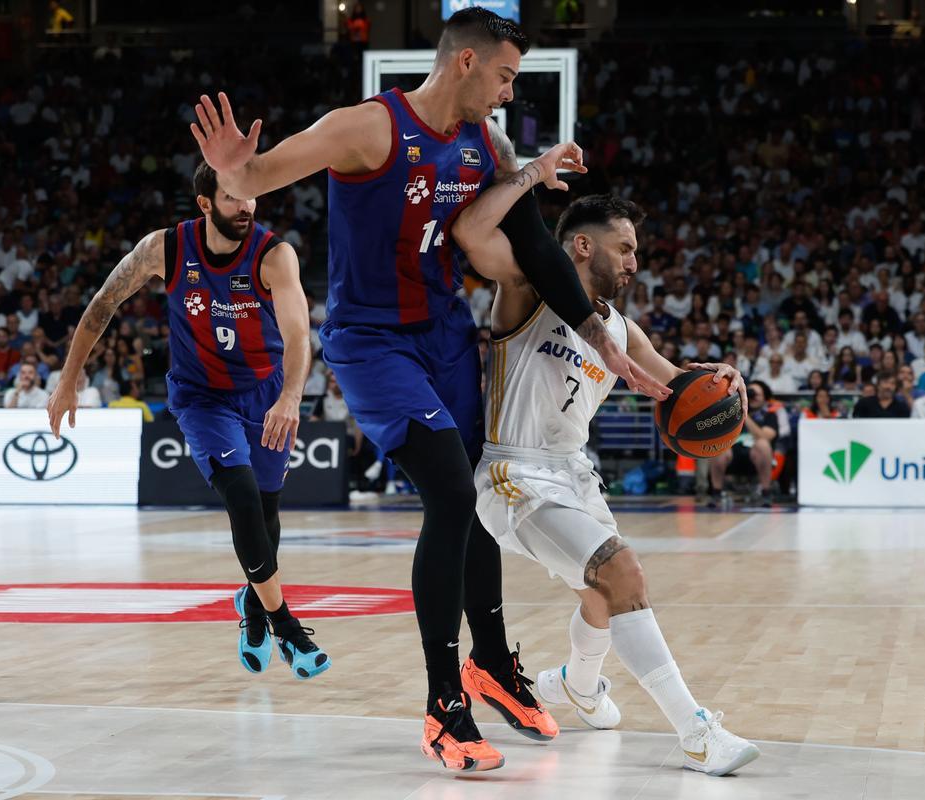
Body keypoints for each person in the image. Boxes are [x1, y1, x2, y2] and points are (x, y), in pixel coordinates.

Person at [189, 7, 668, 769]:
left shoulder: (488, 143)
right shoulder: (365, 127)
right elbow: (257, 176)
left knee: (475, 488)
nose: (510, 92)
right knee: (450, 492)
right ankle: (445, 703)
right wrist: (232, 169)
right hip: (373, 342)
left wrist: (599, 332)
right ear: (468, 63)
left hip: (445, 332)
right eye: (506, 75)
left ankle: (491, 662)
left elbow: (538, 248)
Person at [454, 188, 758, 777]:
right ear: (583, 245)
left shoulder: (622, 331)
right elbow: (471, 234)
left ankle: (578, 684)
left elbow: (680, 386)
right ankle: (696, 734)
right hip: (513, 473)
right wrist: (527, 174)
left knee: (603, 600)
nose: (633, 263)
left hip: (575, 475)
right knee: (624, 572)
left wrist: (724, 380)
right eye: (625, 248)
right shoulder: (527, 288)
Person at [47, 161, 330, 683]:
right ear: (205, 204)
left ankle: (251, 604)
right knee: (242, 498)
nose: (247, 206)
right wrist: (69, 379)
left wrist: (291, 396)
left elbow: (297, 335)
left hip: (267, 393)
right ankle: (285, 623)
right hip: (203, 398)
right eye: (234, 198)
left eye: (252, 196)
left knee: (266, 515)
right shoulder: (166, 248)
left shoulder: (274, 254)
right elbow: (103, 303)